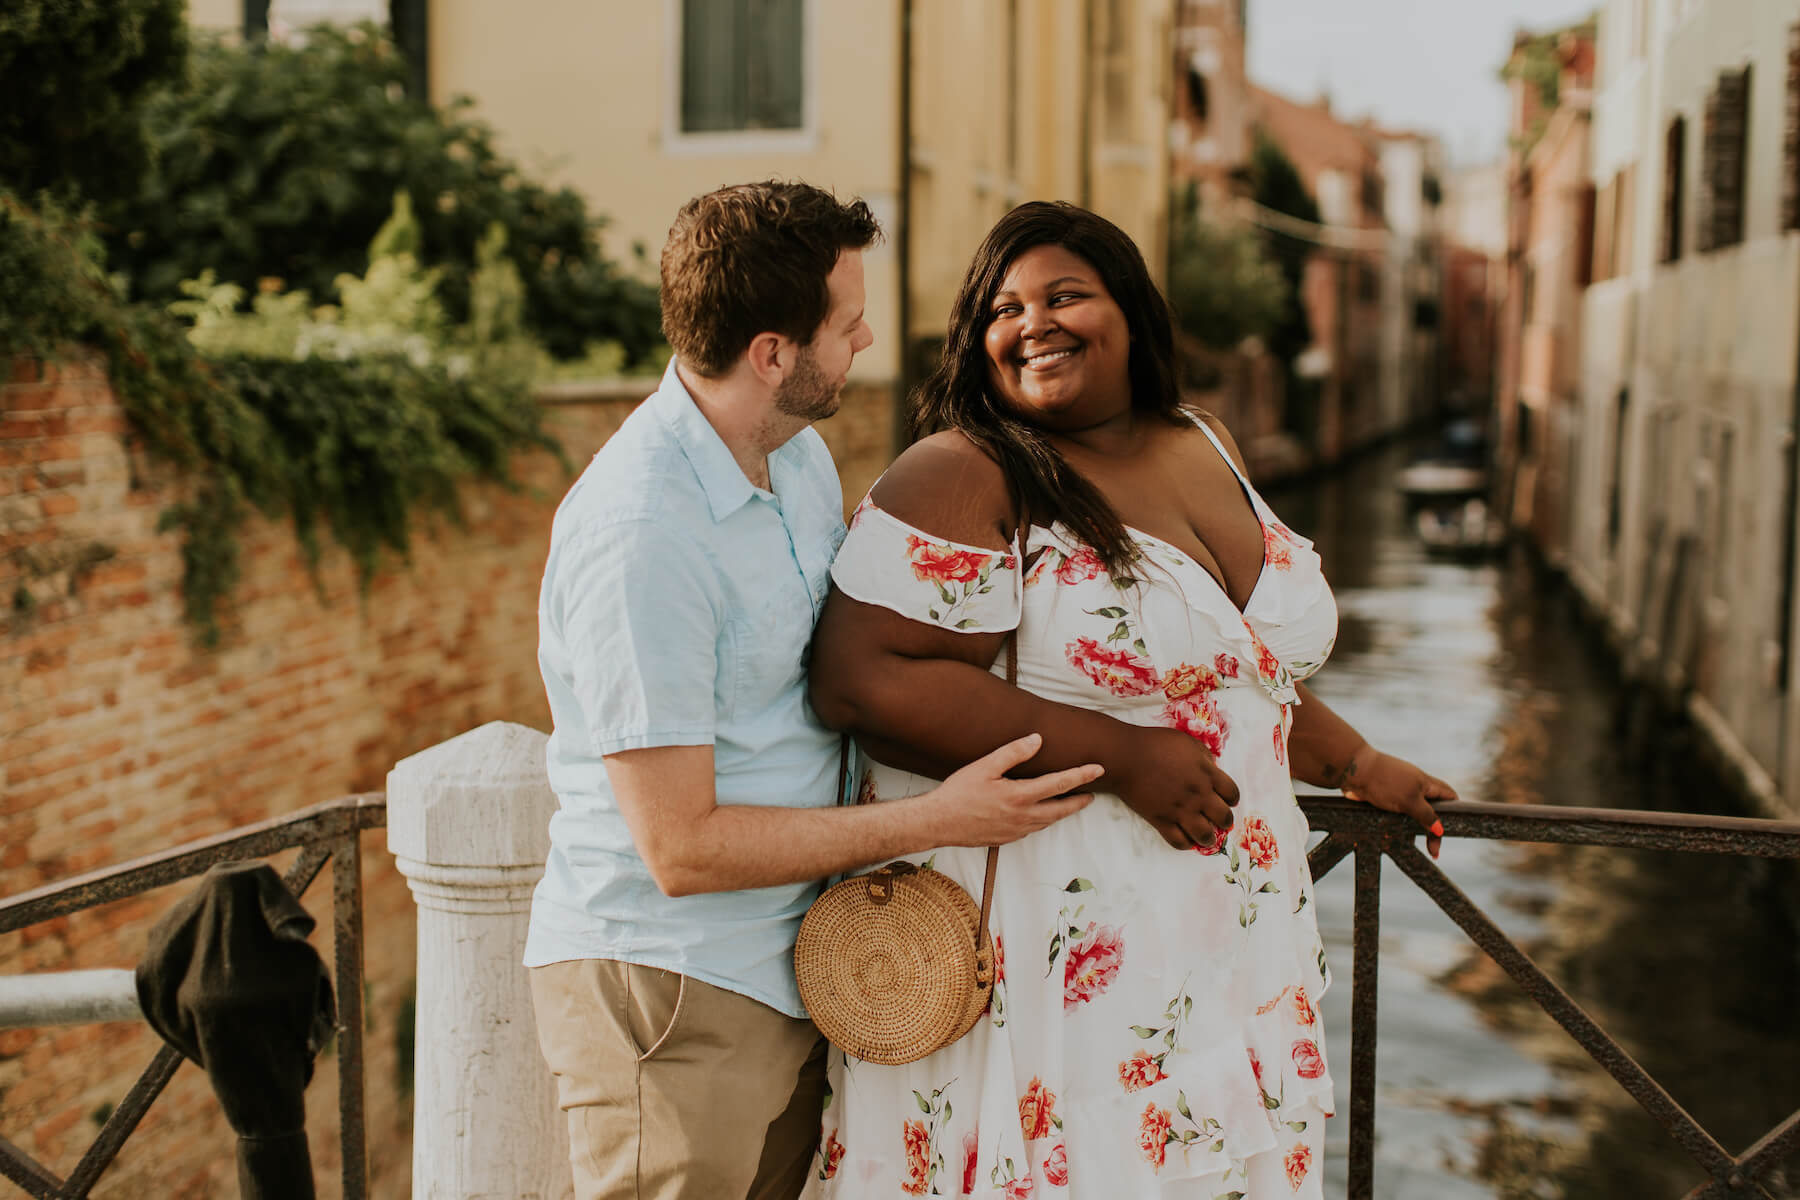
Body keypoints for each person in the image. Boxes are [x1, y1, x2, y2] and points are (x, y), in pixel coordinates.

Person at [804, 201, 1456, 1197]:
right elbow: (861, 678)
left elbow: (1235, 673)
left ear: (1132, 311)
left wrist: (1360, 766)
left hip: (1230, 941)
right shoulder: (967, 472)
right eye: (1005, 308)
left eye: (1066, 294)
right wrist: (1125, 755)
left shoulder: (1204, 439)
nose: (1035, 323)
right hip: (1064, 959)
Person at [525, 182, 1104, 1200]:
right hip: (674, 989)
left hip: (796, 963)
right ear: (772, 353)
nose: (869, 336)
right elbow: (681, 846)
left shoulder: (795, 462)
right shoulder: (641, 536)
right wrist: (935, 819)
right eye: (846, 323)